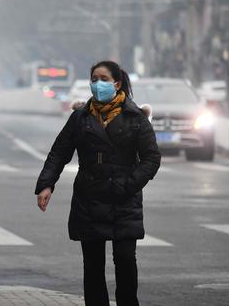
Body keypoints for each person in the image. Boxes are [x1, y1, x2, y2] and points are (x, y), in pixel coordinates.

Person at [35, 61, 161, 306]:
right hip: (88, 198)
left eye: (103, 78)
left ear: (117, 83)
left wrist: (128, 185)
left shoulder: (135, 117)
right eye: (94, 79)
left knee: (125, 260)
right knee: (92, 266)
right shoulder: (80, 117)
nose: (97, 84)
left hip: (124, 200)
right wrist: (46, 185)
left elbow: (151, 159)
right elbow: (59, 152)